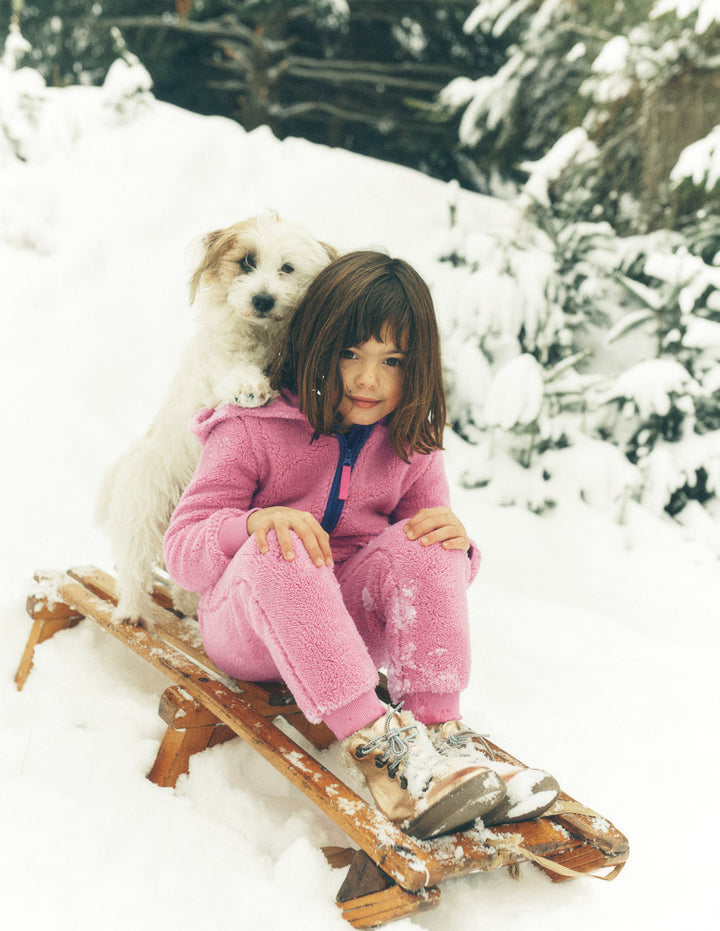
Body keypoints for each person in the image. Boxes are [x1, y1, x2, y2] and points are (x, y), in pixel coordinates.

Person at [164, 251, 558, 838]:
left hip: (345, 633)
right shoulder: (251, 427)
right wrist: (252, 525)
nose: (369, 380)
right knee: (285, 543)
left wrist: (459, 550)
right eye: (350, 354)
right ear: (316, 342)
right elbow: (181, 551)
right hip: (248, 632)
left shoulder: (411, 444)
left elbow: (425, 577)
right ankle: (388, 759)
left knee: (430, 537)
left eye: (392, 361)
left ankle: (441, 739)